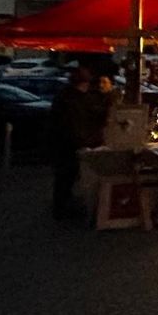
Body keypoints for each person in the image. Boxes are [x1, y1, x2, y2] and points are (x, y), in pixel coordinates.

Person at [48, 67, 104, 219]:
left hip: (64, 143)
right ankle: (62, 210)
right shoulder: (74, 100)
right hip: (70, 144)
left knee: (65, 179)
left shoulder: (67, 97)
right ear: (84, 83)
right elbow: (77, 123)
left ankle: (61, 208)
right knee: (66, 177)